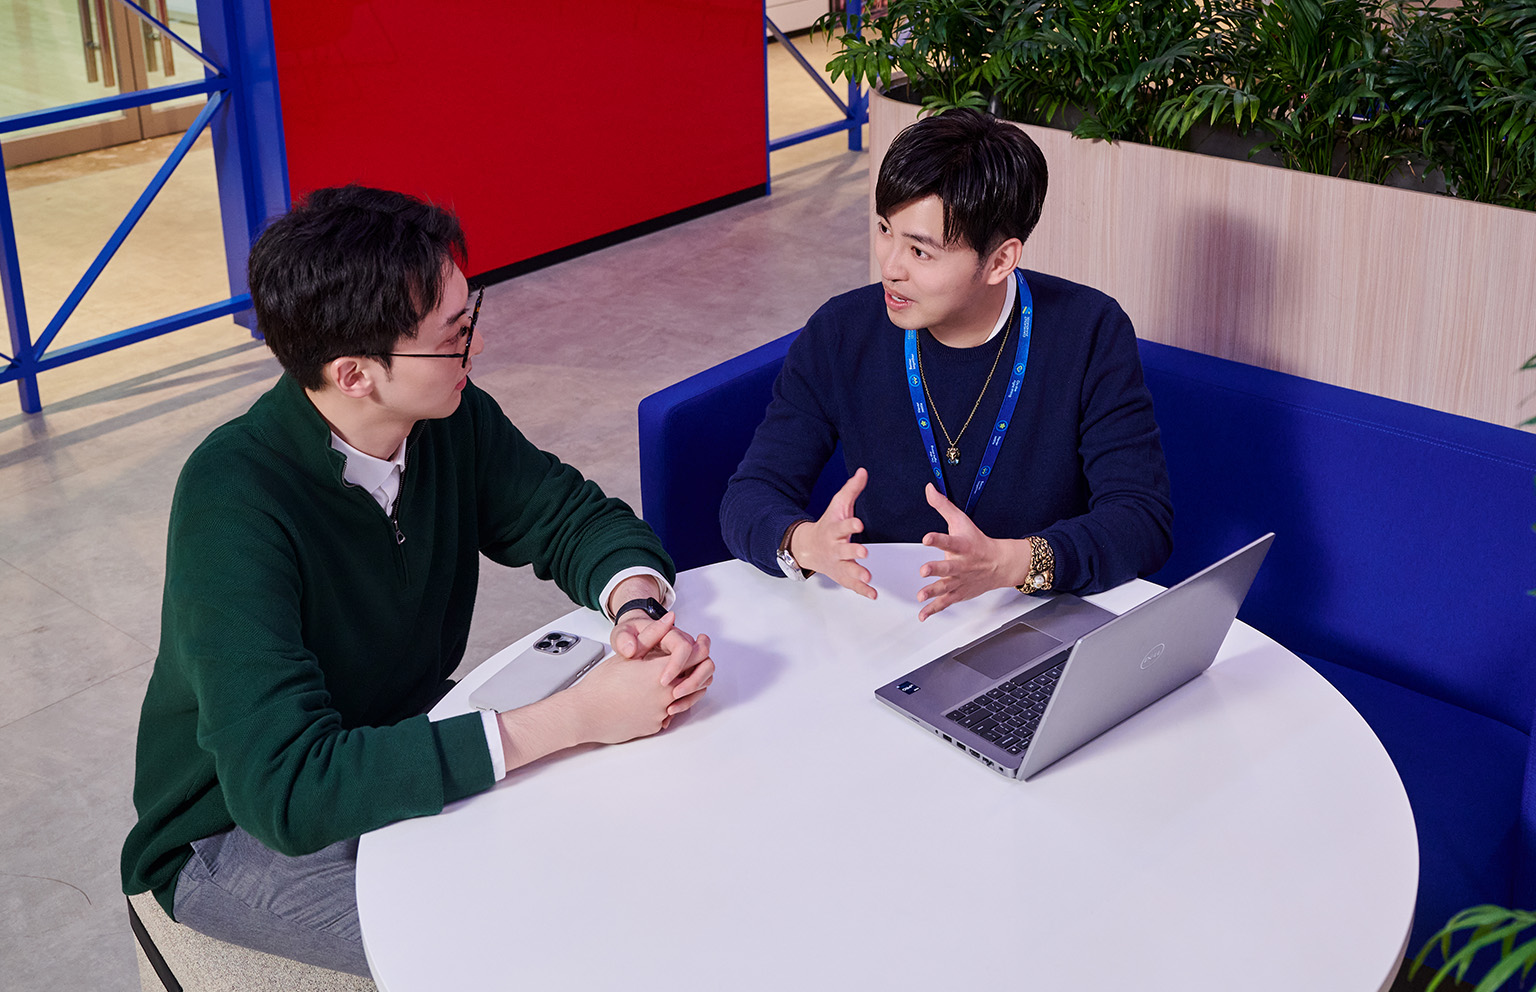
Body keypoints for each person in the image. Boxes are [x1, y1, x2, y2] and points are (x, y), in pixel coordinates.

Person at [120, 185, 714, 977]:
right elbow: (288, 788)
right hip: (233, 830)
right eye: (452, 336)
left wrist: (635, 605)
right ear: (356, 374)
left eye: (470, 319)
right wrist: (572, 717)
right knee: (519, 950)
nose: (472, 350)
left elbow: (574, 519)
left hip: (404, 730)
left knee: (625, 849)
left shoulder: (446, 419)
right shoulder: (232, 500)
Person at [720, 108, 1172, 619]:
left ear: (1000, 260)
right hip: (887, 612)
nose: (890, 267)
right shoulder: (842, 331)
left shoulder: (1089, 331)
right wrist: (805, 542)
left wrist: (1009, 562)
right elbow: (751, 495)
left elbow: (1141, 521)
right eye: (886, 230)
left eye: (920, 251)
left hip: (1035, 618)